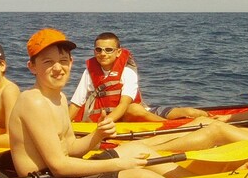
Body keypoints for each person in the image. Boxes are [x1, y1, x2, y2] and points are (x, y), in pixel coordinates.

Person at [7, 28, 195, 178]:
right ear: (32, 66)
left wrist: (98, 134)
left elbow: (70, 147)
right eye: (48, 62)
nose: (58, 68)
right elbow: (58, 166)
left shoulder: (60, 98)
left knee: (138, 149)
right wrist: (118, 165)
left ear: (71, 63)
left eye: (63, 61)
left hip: (61, 174)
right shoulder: (34, 101)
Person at [69, 32, 208, 123]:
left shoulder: (127, 72)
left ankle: (216, 120)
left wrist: (108, 121)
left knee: (189, 112)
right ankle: (169, 126)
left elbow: (124, 104)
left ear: (118, 52)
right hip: (114, 120)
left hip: (132, 114)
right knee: (134, 110)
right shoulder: (89, 72)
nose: (103, 54)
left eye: (108, 50)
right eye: (98, 50)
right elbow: (76, 103)